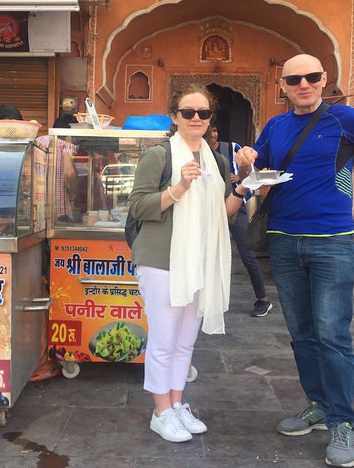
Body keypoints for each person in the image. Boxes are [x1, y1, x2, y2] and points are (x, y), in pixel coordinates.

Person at [234, 54, 354, 467]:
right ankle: (317, 405)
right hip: (283, 240)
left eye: (311, 77)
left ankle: (343, 421)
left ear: (324, 79)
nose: (304, 84)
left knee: (332, 335)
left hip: (331, 240)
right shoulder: (276, 125)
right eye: (295, 79)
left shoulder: (347, 118)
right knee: (301, 334)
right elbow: (263, 173)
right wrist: (248, 164)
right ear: (283, 85)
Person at [128, 83, 249, 443]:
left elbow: (224, 213)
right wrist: (178, 188)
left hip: (199, 260)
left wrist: (243, 187)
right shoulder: (160, 155)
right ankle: (160, 411)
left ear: (211, 119)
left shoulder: (217, 160)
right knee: (164, 341)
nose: (196, 118)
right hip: (162, 260)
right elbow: (138, 206)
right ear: (175, 117)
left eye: (203, 113)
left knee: (185, 343)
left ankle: (177, 404)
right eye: (188, 112)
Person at [204, 125, 272, 317]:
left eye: (216, 130)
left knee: (247, 253)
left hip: (234, 206)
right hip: (208, 209)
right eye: (211, 132)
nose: (214, 134)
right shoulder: (198, 151)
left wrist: (237, 179)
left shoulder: (232, 147)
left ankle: (263, 299)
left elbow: (249, 175)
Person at [35, 114, 80, 222]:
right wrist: (74, 191)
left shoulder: (38, 141)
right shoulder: (66, 145)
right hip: (59, 209)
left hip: (37, 208)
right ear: (69, 131)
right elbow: (69, 173)